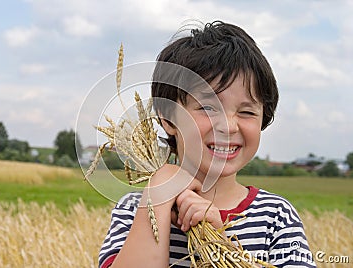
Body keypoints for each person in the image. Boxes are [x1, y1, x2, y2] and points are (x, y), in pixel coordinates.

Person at [98, 21, 316, 267]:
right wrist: (157, 198)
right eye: (208, 108)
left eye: (247, 112)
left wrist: (221, 247)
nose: (229, 126)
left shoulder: (276, 216)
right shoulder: (133, 210)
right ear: (168, 118)